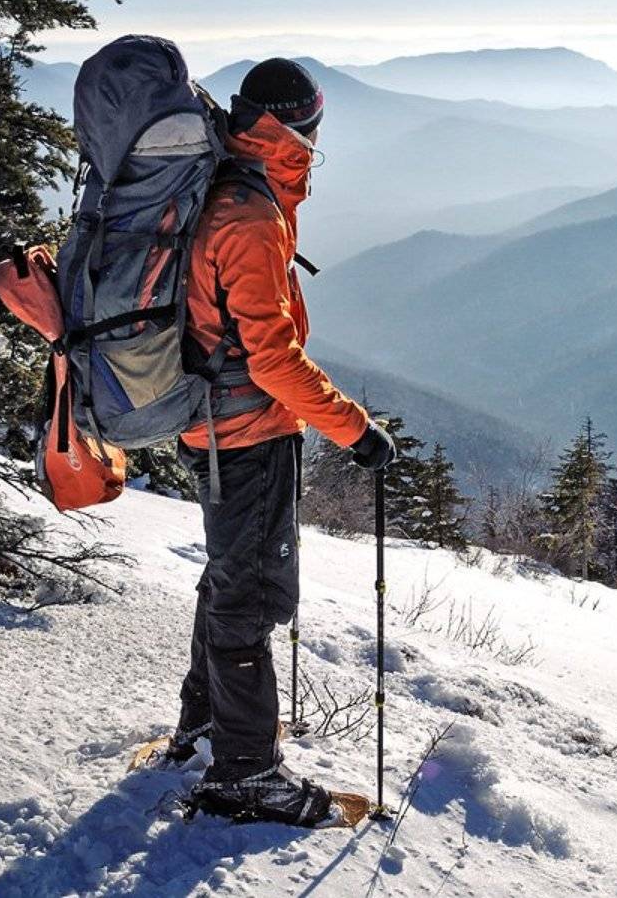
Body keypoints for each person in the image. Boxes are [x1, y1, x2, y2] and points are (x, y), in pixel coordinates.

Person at [161, 58, 397, 826]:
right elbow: (271, 357)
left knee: (229, 575)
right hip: (246, 433)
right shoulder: (251, 216)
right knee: (249, 593)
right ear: (299, 126)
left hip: (211, 425)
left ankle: (206, 724)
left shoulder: (228, 181)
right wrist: (355, 430)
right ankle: (245, 772)